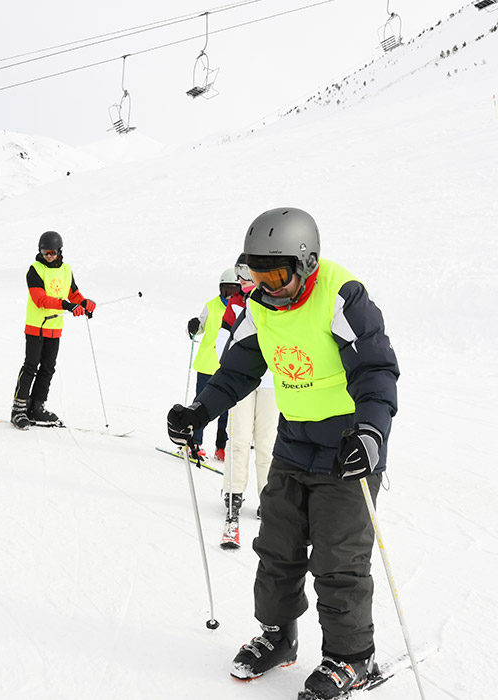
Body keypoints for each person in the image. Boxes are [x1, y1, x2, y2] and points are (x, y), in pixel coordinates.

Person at [166, 208, 399, 699]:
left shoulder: (341, 296)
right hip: (295, 440)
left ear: (307, 262)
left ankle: (352, 658)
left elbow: (376, 370)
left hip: (347, 444)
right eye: (258, 274)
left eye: (277, 275)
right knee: (278, 546)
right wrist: (199, 411)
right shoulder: (260, 306)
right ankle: (278, 636)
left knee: (339, 558)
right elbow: (236, 370)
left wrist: (372, 434)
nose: (268, 286)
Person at [217, 253, 278, 548]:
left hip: (269, 385)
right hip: (242, 381)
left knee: (266, 443)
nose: (240, 280)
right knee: (239, 439)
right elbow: (223, 339)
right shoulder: (237, 304)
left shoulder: (274, 300)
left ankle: (268, 497)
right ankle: (233, 493)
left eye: (245, 274)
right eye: (239, 274)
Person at [11, 230, 96, 430]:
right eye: (44, 252)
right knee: (31, 366)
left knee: (48, 368)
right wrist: (67, 306)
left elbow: (73, 293)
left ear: (59, 251)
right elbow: (39, 299)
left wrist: (84, 303)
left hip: (54, 329)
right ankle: (19, 409)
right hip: (36, 327)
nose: (48, 256)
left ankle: (37, 407)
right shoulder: (35, 270)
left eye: (52, 252)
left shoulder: (66, 270)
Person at [186, 268, 241, 460]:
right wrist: (193, 327)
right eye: (226, 291)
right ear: (220, 289)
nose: (230, 295)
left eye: (234, 291)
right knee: (201, 405)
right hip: (208, 364)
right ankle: (195, 443)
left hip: (228, 367)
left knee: (226, 410)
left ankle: (221, 447)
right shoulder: (211, 306)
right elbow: (199, 328)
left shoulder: (243, 308)